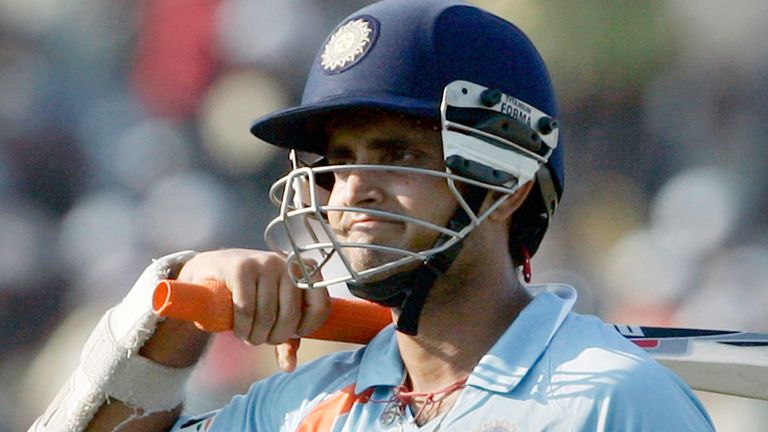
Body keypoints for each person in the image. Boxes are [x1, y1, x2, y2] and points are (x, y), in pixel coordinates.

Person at [31, 0, 715, 431]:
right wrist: (172, 313)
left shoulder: (614, 403)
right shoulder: (299, 409)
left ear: (505, 185)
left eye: (396, 154)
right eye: (334, 163)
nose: (350, 192)